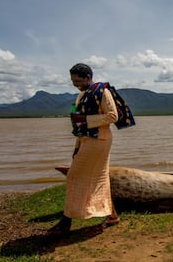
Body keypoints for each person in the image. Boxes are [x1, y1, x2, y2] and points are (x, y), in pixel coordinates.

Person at [48, 63, 120, 235]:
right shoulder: (81, 96)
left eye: (78, 80)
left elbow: (113, 116)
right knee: (100, 178)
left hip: (100, 140)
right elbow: (77, 122)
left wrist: (86, 119)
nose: (75, 84)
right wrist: (77, 146)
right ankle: (113, 215)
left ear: (88, 77)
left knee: (74, 175)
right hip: (86, 140)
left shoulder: (103, 92)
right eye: (73, 81)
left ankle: (66, 221)